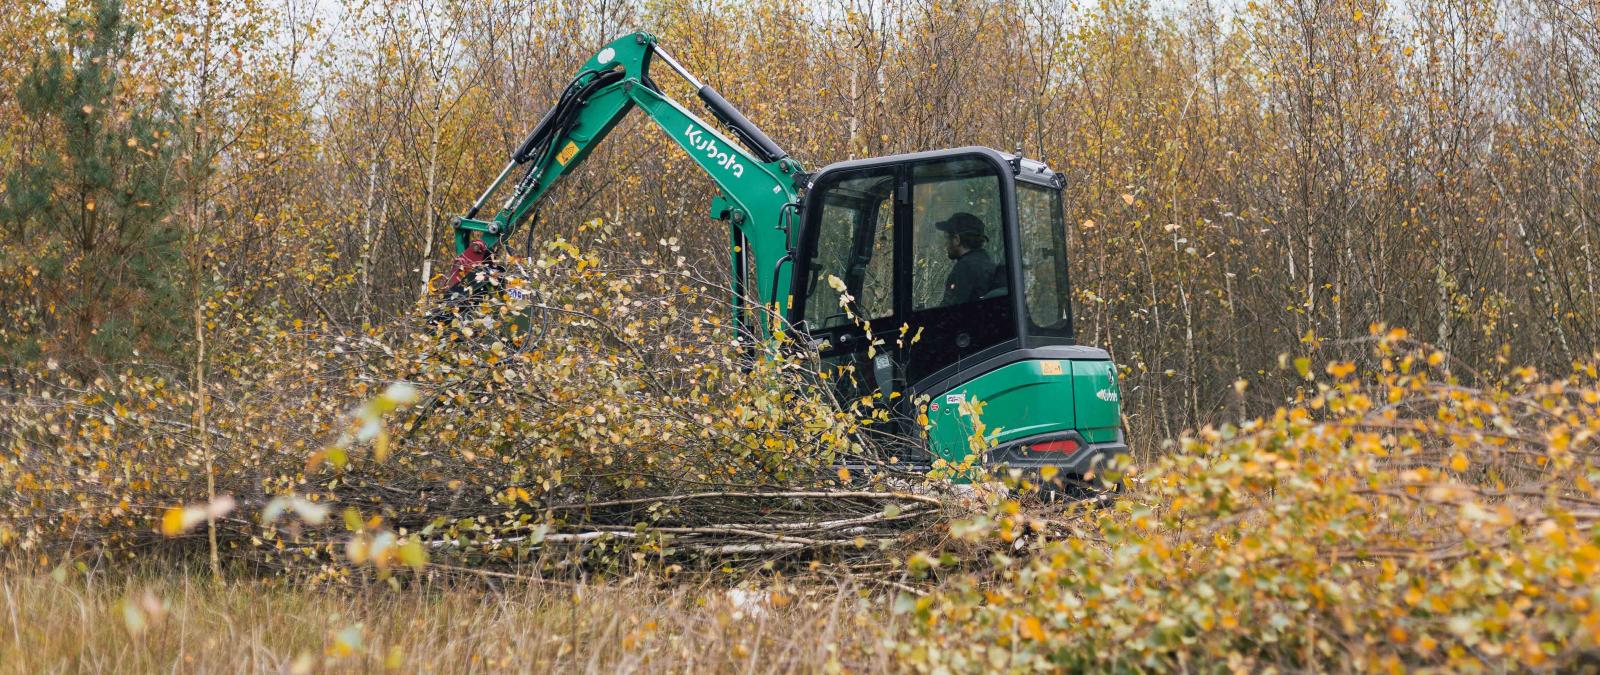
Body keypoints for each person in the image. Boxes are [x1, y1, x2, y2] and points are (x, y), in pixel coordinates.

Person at [936, 212, 998, 305]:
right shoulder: (987, 264)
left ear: (957, 239)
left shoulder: (964, 268)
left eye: (947, 238)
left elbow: (949, 313)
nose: (945, 245)